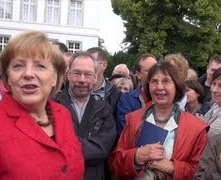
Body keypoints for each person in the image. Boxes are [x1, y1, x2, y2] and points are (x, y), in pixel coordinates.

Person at [0, 31, 84, 179]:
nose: (28, 74)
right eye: (18, 66)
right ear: (8, 78)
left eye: (40, 66)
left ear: (55, 78)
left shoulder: (63, 114)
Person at [109, 61, 209, 179]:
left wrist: (173, 168)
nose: (159, 87)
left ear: (177, 86)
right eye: (154, 81)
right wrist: (136, 156)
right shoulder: (133, 120)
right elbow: (115, 164)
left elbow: (202, 173)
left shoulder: (196, 128)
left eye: (166, 81)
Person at [55, 52, 116, 180]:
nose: (82, 80)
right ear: (68, 74)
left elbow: (103, 148)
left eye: (88, 74)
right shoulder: (53, 106)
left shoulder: (104, 109)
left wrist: (66, 147)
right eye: (77, 73)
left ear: (95, 77)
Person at [116, 53, 157, 134]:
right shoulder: (127, 100)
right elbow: (127, 132)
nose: (155, 74)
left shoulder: (166, 98)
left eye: (156, 69)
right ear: (138, 74)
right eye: (149, 70)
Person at [87, 47, 122, 118]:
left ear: (104, 65)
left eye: (91, 62)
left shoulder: (116, 94)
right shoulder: (75, 89)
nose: (87, 66)